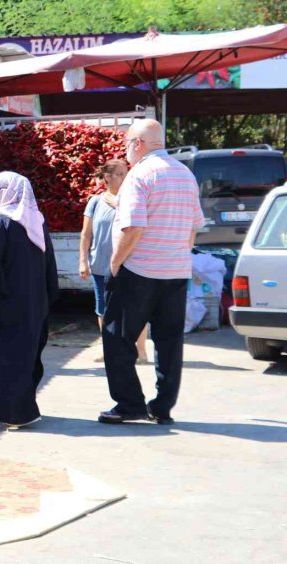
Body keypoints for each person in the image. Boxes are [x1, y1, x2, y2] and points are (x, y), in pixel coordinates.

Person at [98, 119, 205, 425]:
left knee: (117, 338)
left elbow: (133, 227)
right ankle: (162, 407)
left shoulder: (140, 175)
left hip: (139, 271)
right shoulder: (186, 174)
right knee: (169, 341)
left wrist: (116, 263)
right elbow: (194, 226)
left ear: (138, 144)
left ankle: (130, 404)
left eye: (127, 144)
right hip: (175, 271)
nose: (126, 151)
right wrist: (179, 255)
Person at [0, 172, 59, 428]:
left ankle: (14, 413)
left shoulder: (0, 221)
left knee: (3, 358)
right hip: (33, 304)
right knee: (25, 356)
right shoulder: (37, 222)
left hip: (7, 304)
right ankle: (23, 409)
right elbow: (49, 267)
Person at [79, 159, 149, 363]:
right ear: (107, 177)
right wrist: (83, 261)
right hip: (101, 265)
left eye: (125, 173)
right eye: (120, 174)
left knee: (135, 308)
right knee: (103, 309)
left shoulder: (133, 199)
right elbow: (86, 235)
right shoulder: (94, 201)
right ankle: (109, 349)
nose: (124, 177)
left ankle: (141, 350)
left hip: (130, 264)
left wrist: (120, 205)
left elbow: (139, 226)